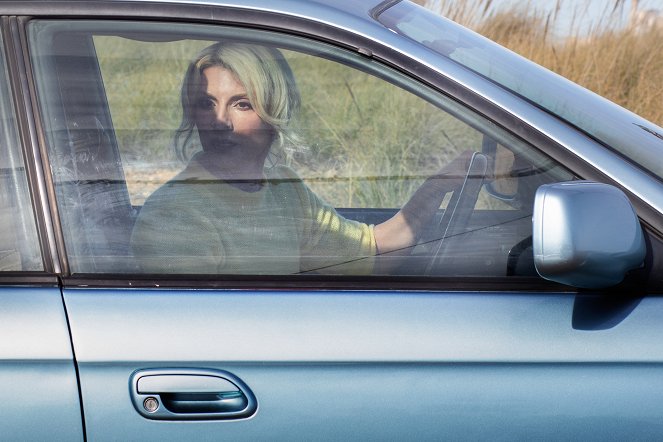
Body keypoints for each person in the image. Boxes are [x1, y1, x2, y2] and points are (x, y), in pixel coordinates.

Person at [130, 42, 471, 274]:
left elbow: (373, 251)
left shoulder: (285, 191)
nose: (220, 122)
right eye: (206, 104)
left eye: (242, 104)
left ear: (274, 112)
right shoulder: (173, 215)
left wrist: (436, 188)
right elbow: (198, 335)